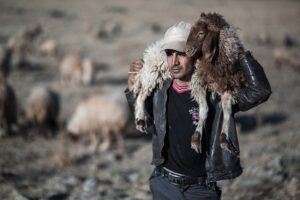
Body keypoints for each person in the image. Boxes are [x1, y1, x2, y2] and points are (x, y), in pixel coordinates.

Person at [125, 21, 271, 200]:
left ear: (196, 55)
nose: (174, 62)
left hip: (201, 190)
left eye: (182, 54)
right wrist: (132, 84)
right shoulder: (160, 90)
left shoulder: (216, 93)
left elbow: (260, 91)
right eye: (169, 54)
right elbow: (145, 124)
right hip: (164, 185)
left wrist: (235, 50)